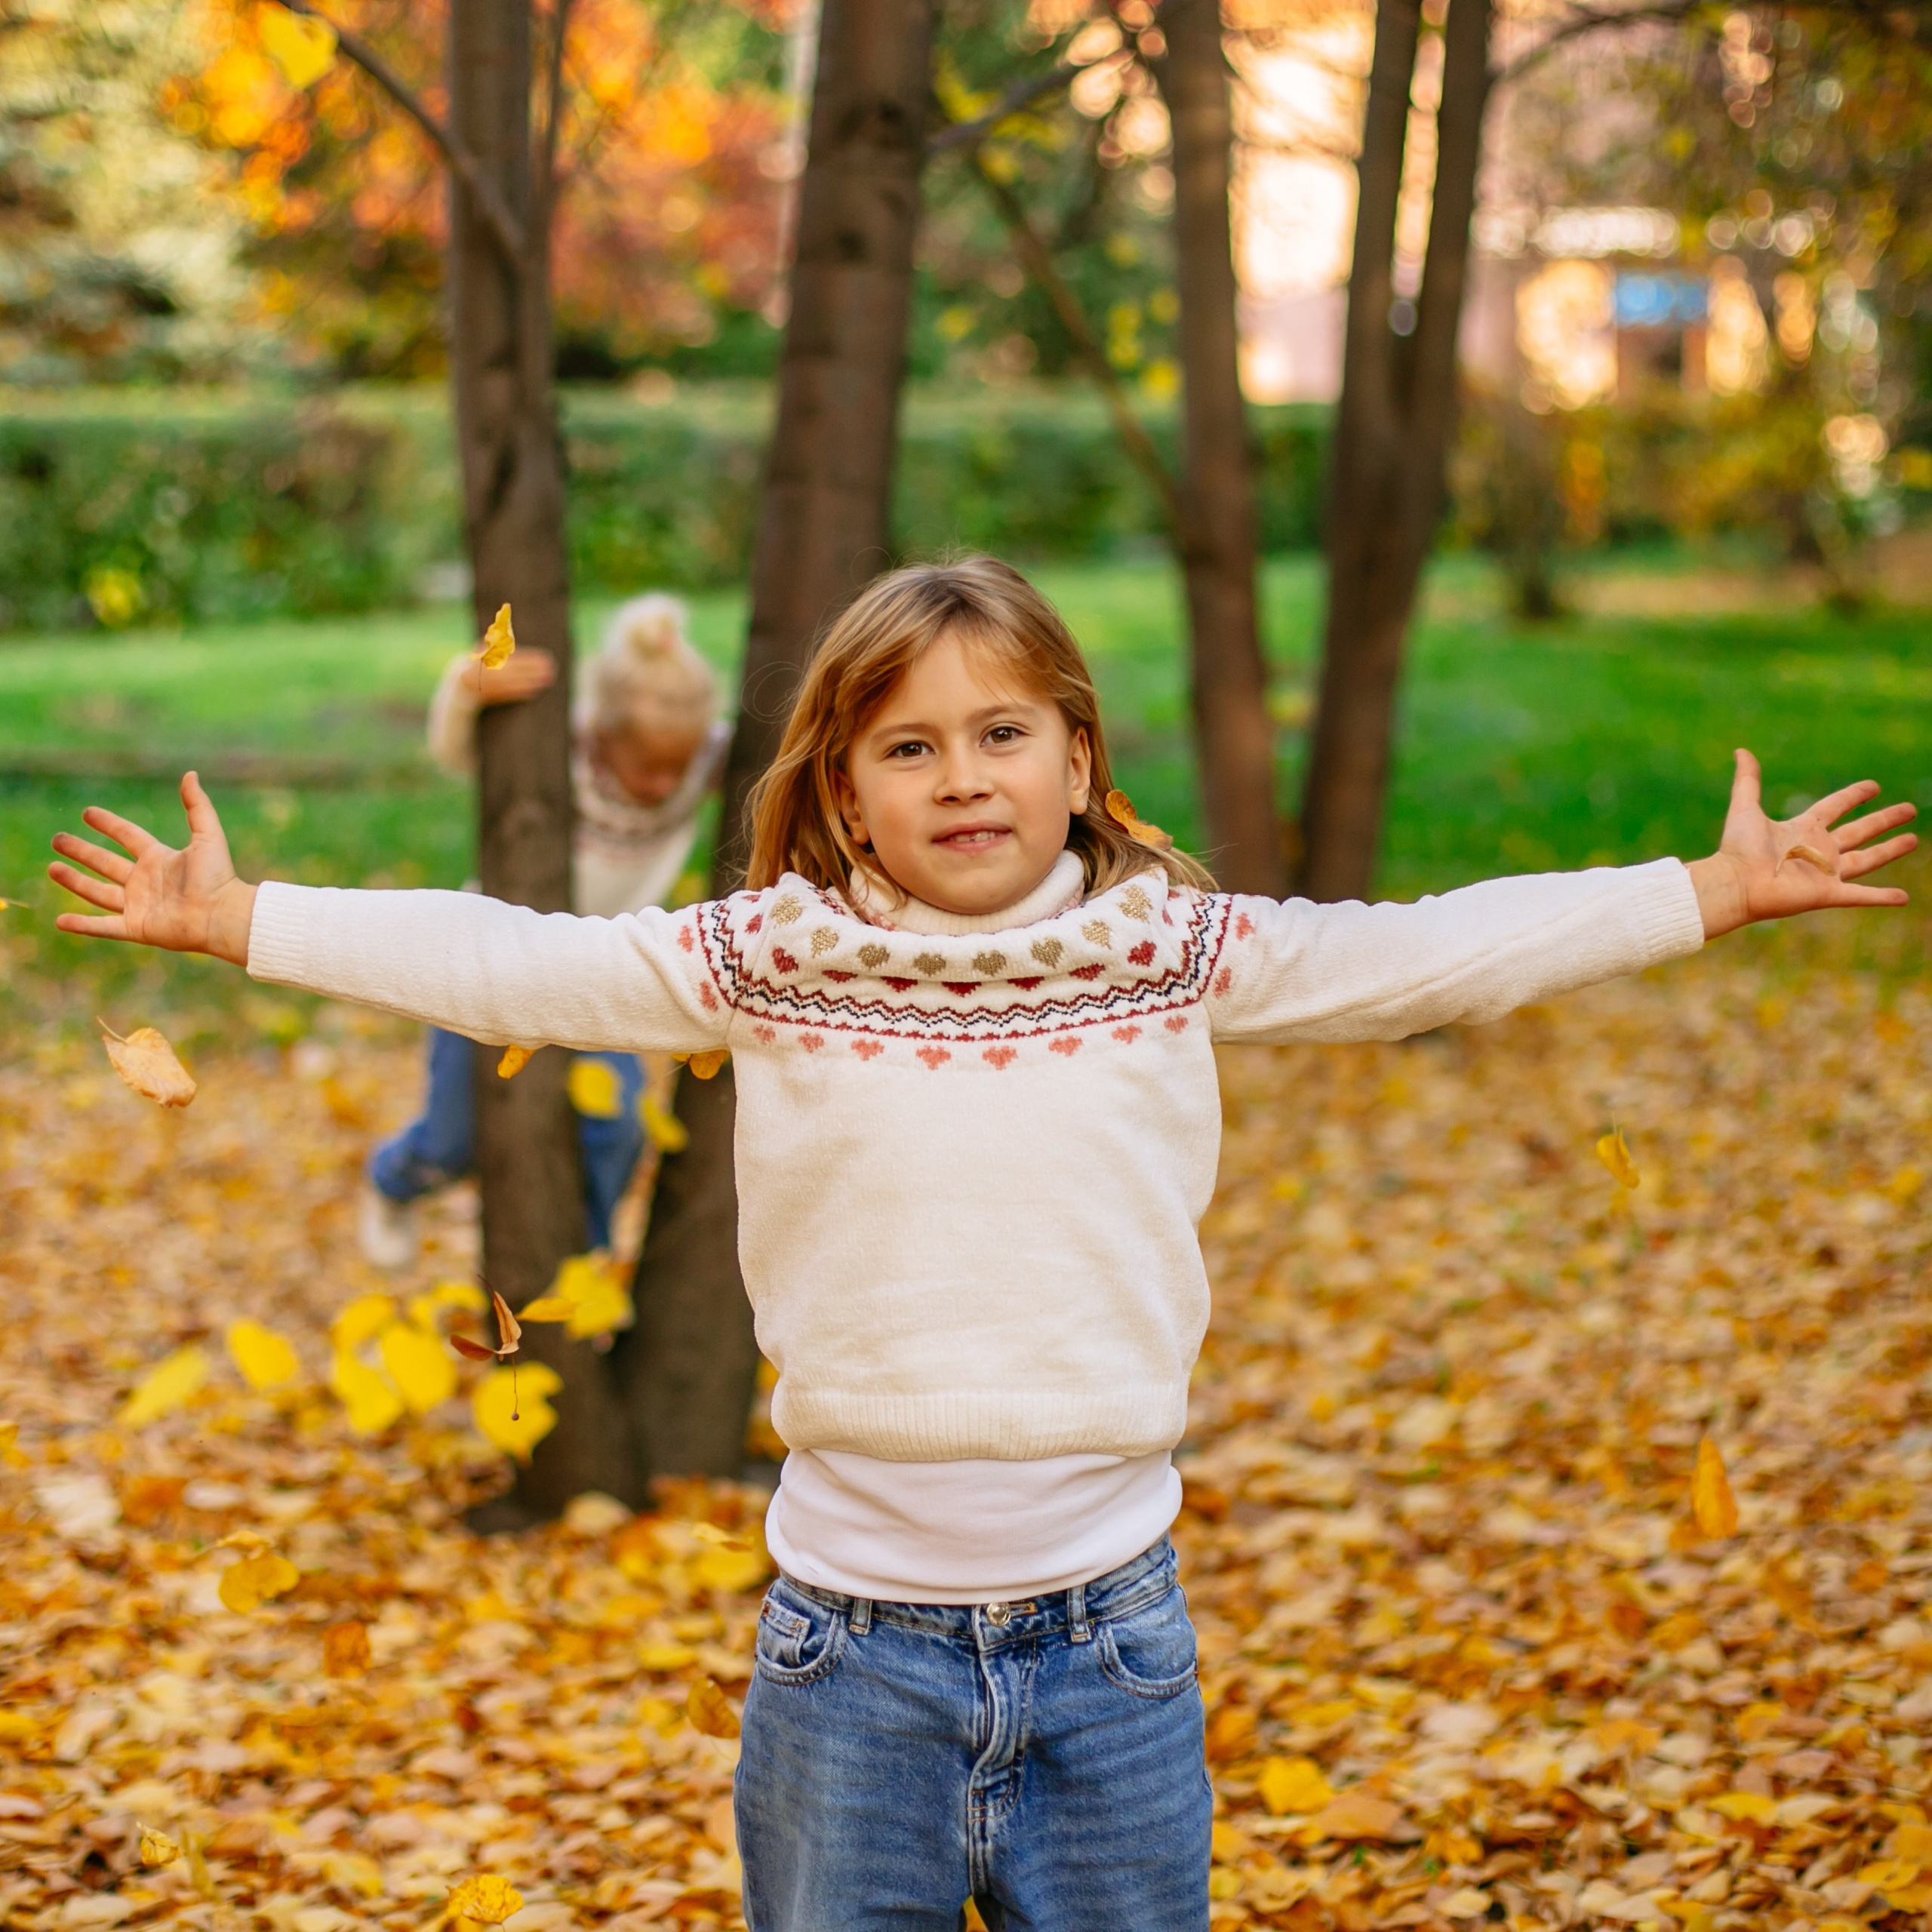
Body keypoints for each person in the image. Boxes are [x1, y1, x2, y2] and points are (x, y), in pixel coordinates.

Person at [47, 556, 1915, 1931]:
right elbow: (513, 956)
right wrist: (249, 922)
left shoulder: (1171, 947)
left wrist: (1696, 891)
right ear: (843, 782)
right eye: (909, 744)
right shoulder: (772, 957)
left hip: (1112, 1637)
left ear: (1077, 750)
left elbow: (1419, 951)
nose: (960, 776)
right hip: (844, 1652)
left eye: (1002, 732)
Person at [358, 593, 728, 1267]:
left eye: (678, 767)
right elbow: (456, 748)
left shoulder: (701, 757)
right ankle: (392, 1180)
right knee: (452, 1139)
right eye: (646, 765)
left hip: (599, 971)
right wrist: (465, 687)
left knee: (616, 1130)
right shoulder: (568, 746)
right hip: (485, 954)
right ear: (604, 731)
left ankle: (580, 1254)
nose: (664, 782)